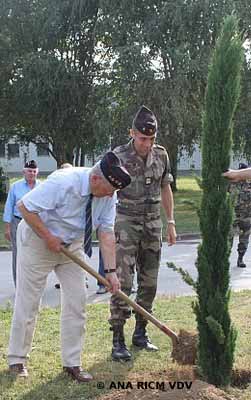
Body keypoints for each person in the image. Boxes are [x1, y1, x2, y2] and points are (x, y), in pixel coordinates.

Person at [8, 151, 131, 381]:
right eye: (108, 190)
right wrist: (47, 236)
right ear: (95, 179)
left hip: (72, 246)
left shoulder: (108, 194)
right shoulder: (63, 182)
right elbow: (24, 207)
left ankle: (72, 363)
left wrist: (111, 272)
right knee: (29, 301)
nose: (110, 196)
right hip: (38, 239)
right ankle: (17, 359)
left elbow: (105, 232)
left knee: (77, 301)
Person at [109, 105, 177, 361]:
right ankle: (118, 339)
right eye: (142, 138)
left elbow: (165, 188)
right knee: (123, 282)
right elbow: (106, 191)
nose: (147, 143)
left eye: (151, 139)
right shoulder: (118, 156)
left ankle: (140, 333)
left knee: (149, 283)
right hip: (126, 223)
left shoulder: (161, 155)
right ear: (132, 133)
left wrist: (170, 221)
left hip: (152, 224)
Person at [3, 160, 40, 286]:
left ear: (37, 172)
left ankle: (33, 284)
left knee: (36, 253)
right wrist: (7, 227)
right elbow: (9, 206)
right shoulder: (16, 187)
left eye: (34, 171)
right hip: (18, 222)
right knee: (18, 254)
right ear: (24, 171)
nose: (32, 174)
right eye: (29, 171)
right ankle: (18, 285)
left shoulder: (41, 186)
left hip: (35, 224)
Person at [229, 163, 251, 268]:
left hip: (247, 217)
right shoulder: (232, 184)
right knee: (229, 238)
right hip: (233, 216)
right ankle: (224, 259)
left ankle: (240, 259)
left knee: (244, 240)